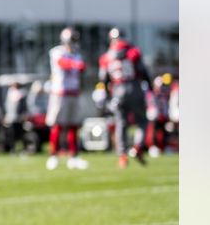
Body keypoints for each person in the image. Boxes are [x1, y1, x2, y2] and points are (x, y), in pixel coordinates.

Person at [99, 27, 152, 168]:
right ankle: (137, 148)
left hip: (117, 90)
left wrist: (108, 95)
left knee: (121, 123)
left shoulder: (107, 57)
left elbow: (104, 79)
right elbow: (142, 71)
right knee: (142, 121)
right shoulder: (133, 52)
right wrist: (150, 87)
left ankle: (122, 155)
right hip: (134, 88)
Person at [45, 27, 89, 170]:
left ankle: (73, 157)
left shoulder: (77, 54)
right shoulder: (57, 52)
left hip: (73, 93)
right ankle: (53, 156)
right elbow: (63, 63)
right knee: (58, 125)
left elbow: (81, 70)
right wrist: (75, 64)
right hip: (60, 93)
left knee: (73, 126)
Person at [0, 81, 29, 154]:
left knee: (21, 135)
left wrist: (24, 115)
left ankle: (23, 149)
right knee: (11, 135)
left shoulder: (21, 94)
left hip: (19, 118)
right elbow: (7, 107)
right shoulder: (10, 94)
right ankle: (13, 149)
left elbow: (23, 106)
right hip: (11, 118)